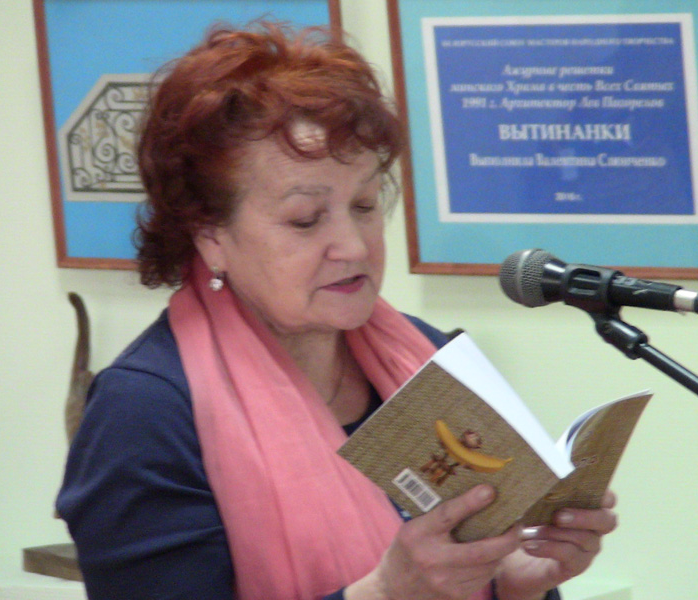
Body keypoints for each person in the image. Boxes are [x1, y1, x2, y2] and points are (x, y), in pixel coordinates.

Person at [56, 18, 617, 600]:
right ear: (210, 235)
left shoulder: (431, 359)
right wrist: (386, 593)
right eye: (306, 219)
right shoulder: (143, 411)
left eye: (365, 205)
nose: (353, 246)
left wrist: (518, 586)